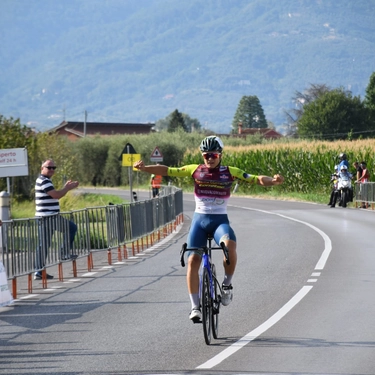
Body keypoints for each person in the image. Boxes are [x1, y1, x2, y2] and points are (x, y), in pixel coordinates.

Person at [133, 135, 284, 322]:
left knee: (229, 246)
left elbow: (256, 179)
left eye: (213, 155)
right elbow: (167, 170)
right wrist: (146, 168)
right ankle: (195, 307)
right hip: (199, 221)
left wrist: (274, 181)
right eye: (206, 155)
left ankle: (227, 285)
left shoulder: (230, 171)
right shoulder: (195, 170)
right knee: (192, 261)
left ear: (220, 155)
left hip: (219, 221)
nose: (209, 158)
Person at [34, 159, 79, 280]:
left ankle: (39, 271)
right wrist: (67, 188)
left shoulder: (45, 180)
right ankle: (64, 253)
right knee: (71, 228)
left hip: (45, 217)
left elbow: (54, 195)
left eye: (54, 168)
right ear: (42, 168)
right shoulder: (44, 181)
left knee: (44, 245)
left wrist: (66, 187)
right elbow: (56, 195)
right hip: (49, 217)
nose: (52, 170)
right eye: (49, 167)